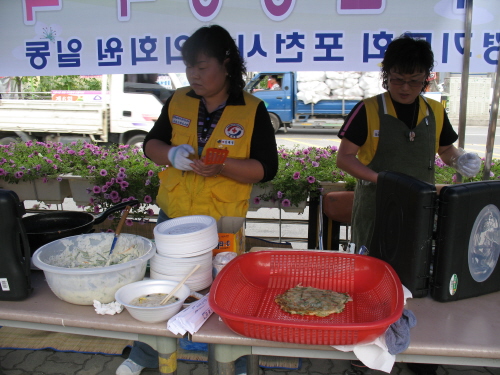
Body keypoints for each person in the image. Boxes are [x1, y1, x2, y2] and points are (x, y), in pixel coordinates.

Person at [116, 24, 278, 375]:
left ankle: (231, 363)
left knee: (223, 294)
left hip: (224, 221)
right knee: (165, 290)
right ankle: (146, 356)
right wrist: (173, 155)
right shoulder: (178, 99)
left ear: (226, 63)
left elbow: (266, 169)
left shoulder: (251, 109)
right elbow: (150, 145)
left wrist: (222, 166)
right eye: (189, 67)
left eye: (202, 67)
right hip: (174, 216)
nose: (194, 75)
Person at [336, 35, 481, 375]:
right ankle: (367, 353)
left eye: (414, 80)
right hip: (376, 208)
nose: (405, 87)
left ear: (426, 78)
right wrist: (381, 180)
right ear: (386, 75)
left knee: (415, 277)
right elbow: (345, 158)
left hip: (420, 209)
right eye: (398, 79)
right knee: (372, 281)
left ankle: (417, 354)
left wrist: (461, 159)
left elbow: (446, 151)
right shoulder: (369, 109)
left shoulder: (435, 110)